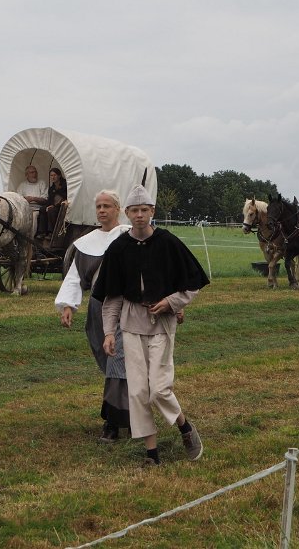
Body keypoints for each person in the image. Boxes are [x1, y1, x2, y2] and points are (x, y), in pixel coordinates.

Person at [92, 184, 210, 466]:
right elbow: (112, 298)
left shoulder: (168, 242)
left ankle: (184, 427)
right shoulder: (119, 248)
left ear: (152, 212)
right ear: (127, 214)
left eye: (145, 210)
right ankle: (151, 453)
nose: (140, 215)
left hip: (162, 324)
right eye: (135, 210)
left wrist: (171, 302)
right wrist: (109, 332)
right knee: (137, 391)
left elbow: (191, 287)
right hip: (131, 325)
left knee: (159, 389)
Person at [55, 190, 131, 442]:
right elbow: (75, 277)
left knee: (118, 364)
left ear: (117, 209)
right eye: (98, 206)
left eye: (107, 206)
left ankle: (113, 420)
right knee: (112, 364)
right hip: (98, 311)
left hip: (126, 310)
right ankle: (131, 414)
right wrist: (69, 306)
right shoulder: (87, 243)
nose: (101, 210)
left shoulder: (130, 236)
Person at [16, 165, 48, 236]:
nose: (35, 174)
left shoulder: (41, 183)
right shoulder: (22, 185)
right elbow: (18, 199)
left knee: (33, 217)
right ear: (26, 175)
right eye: (32, 172)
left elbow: (45, 199)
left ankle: (31, 238)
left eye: (35, 172)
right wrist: (25, 199)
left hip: (37, 209)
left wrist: (33, 198)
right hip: (25, 208)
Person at [39, 167, 67, 239]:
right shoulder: (52, 188)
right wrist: (49, 205)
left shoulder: (65, 185)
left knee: (51, 210)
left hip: (62, 206)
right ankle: (42, 232)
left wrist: (53, 205)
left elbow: (64, 197)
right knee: (42, 209)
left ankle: (52, 233)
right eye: (51, 175)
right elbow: (50, 200)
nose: (53, 177)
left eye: (54, 175)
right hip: (54, 205)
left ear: (59, 175)